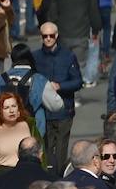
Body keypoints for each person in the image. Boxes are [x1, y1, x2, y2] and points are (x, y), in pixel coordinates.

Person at [33, 22, 83, 172]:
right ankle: (48, 175)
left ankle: (59, 175)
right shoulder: (35, 57)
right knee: (45, 147)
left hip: (64, 110)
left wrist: (60, 86)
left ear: (57, 35)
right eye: (45, 36)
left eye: (51, 36)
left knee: (61, 148)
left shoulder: (68, 56)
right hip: (43, 111)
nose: (48, 39)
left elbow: (78, 81)